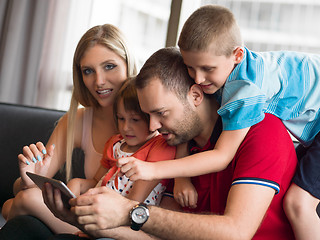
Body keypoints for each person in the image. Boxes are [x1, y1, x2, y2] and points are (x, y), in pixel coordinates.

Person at [43, 47, 297, 239]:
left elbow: (236, 232)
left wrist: (129, 210)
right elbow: (163, 233)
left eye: (161, 113)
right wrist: (82, 219)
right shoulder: (179, 148)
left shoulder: (262, 132)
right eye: (147, 115)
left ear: (196, 96)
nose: (152, 127)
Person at [122, 5, 320, 239]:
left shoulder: (246, 91)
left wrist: (151, 169)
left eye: (206, 69)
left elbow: (222, 156)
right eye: (190, 68)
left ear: (237, 55)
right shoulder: (217, 82)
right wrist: (181, 177)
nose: (198, 77)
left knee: (299, 203)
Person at [0, 23, 138, 234]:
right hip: (85, 219)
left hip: (124, 227)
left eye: (109, 66)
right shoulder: (79, 120)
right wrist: (27, 179)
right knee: (21, 200)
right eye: (88, 71)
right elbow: (27, 185)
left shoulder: (148, 119)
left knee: (17, 204)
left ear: (128, 64)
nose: (99, 81)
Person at [67, 78, 176, 206]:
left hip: (127, 215)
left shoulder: (160, 146)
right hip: (99, 203)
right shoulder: (115, 143)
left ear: (151, 117)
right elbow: (97, 180)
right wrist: (77, 184)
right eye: (121, 118)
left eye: (135, 120)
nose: (125, 127)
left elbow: (134, 200)